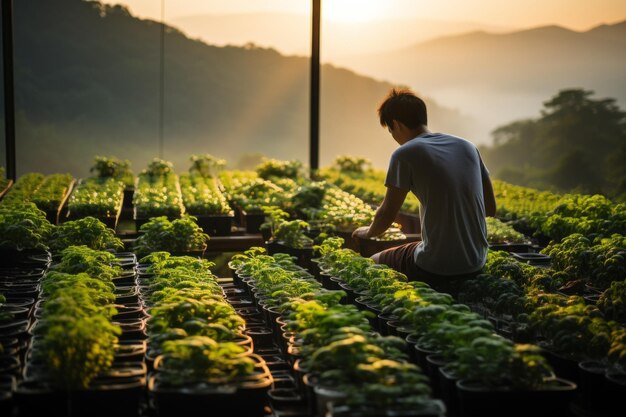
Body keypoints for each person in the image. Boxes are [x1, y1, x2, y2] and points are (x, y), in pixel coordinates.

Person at [352, 88, 496, 298]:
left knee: (372, 264)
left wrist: (366, 232)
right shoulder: (467, 147)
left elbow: (386, 215)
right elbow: (490, 209)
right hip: (477, 260)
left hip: (436, 265)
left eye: (390, 130)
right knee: (413, 247)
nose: (393, 137)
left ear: (396, 124)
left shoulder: (405, 153)